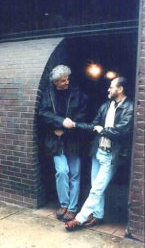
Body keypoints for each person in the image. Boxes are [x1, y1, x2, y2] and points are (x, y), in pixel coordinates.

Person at [65, 77, 134, 230]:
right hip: (98, 153)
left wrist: (103, 130)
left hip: (111, 156)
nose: (108, 90)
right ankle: (98, 215)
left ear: (120, 89)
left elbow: (122, 131)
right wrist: (75, 124)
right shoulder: (106, 106)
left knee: (97, 189)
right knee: (96, 187)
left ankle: (79, 219)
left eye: (111, 87)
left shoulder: (129, 107)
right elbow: (93, 125)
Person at [39, 65, 88, 222]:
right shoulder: (48, 94)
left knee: (75, 174)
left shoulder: (78, 94)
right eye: (63, 81)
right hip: (56, 141)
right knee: (61, 171)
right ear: (55, 83)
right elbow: (43, 114)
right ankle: (64, 204)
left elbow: (82, 117)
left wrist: (65, 129)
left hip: (73, 140)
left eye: (67, 79)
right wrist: (60, 122)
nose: (67, 82)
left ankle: (72, 208)